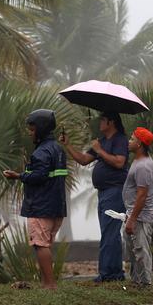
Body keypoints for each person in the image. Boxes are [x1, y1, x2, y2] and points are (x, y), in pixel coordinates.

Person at [59, 111, 128, 282]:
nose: (99, 123)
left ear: (111, 122)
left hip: (115, 191)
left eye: (103, 120)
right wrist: (68, 145)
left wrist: (99, 151)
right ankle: (114, 272)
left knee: (110, 232)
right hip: (104, 192)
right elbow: (83, 159)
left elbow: (119, 162)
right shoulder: (102, 141)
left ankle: (108, 274)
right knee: (108, 231)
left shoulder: (120, 140)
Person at [4, 109, 67, 290]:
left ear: (41, 129)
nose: (30, 133)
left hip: (41, 206)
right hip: (57, 206)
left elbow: (39, 176)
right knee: (45, 244)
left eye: (32, 129)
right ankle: (46, 282)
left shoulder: (41, 152)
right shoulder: (59, 149)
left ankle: (49, 284)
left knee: (40, 245)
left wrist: (18, 176)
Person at [123, 127, 153, 286]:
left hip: (141, 216)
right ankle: (136, 281)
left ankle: (145, 283)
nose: (129, 142)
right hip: (134, 213)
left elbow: (142, 195)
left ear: (140, 144)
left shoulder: (143, 165)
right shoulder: (137, 160)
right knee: (133, 249)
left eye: (132, 139)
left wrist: (132, 219)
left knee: (141, 250)